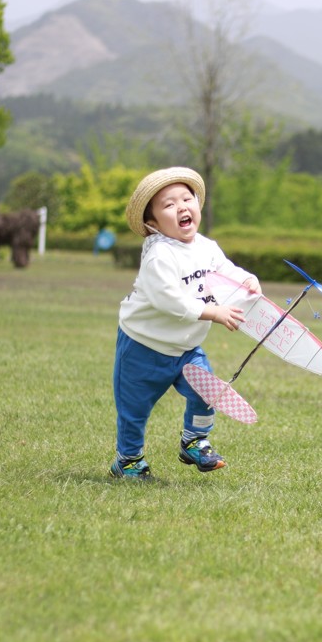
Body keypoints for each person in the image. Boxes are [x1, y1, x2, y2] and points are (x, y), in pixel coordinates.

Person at [110, 167, 261, 480]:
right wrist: (213, 313)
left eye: (186, 198)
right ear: (152, 224)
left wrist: (246, 279)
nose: (181, 207)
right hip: (143, 346)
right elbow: (168, 300)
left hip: (186, 347)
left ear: (197, 205)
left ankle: (194, 440)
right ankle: (128, 461)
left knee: (207, 392)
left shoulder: (206, 247)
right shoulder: (159, 255)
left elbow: (224, 270)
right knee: (134, 410)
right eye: (168, 204)